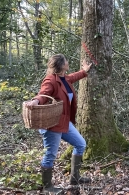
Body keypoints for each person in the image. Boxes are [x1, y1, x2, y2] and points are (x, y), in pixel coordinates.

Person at [25, 54, 92, 193]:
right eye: (66, 61)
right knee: (51, 154)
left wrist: (85, 71)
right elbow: (43, 93)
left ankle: (75, 178)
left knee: (80, 144)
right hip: (52, 124)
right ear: (62, 65)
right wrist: (35, 101)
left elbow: (74, 77)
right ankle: (47, 187)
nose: (68, 62)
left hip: (64, 122)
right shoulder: (51, 80)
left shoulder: (65, 78)